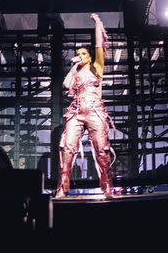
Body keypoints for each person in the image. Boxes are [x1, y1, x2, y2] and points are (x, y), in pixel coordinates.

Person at [55, 13, 115, 198]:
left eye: (83, 53)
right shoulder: (77, 71)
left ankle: (107, 188)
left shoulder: (97, 67)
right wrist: (74, 67)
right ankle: (62, 189)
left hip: (95, 110)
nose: (79, 55)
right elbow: (66, 84)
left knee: (102, 150)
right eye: (77, 53)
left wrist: (98, 23)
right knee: (67, 147)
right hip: (76, 111)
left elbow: (98, 45)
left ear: (89, 56)